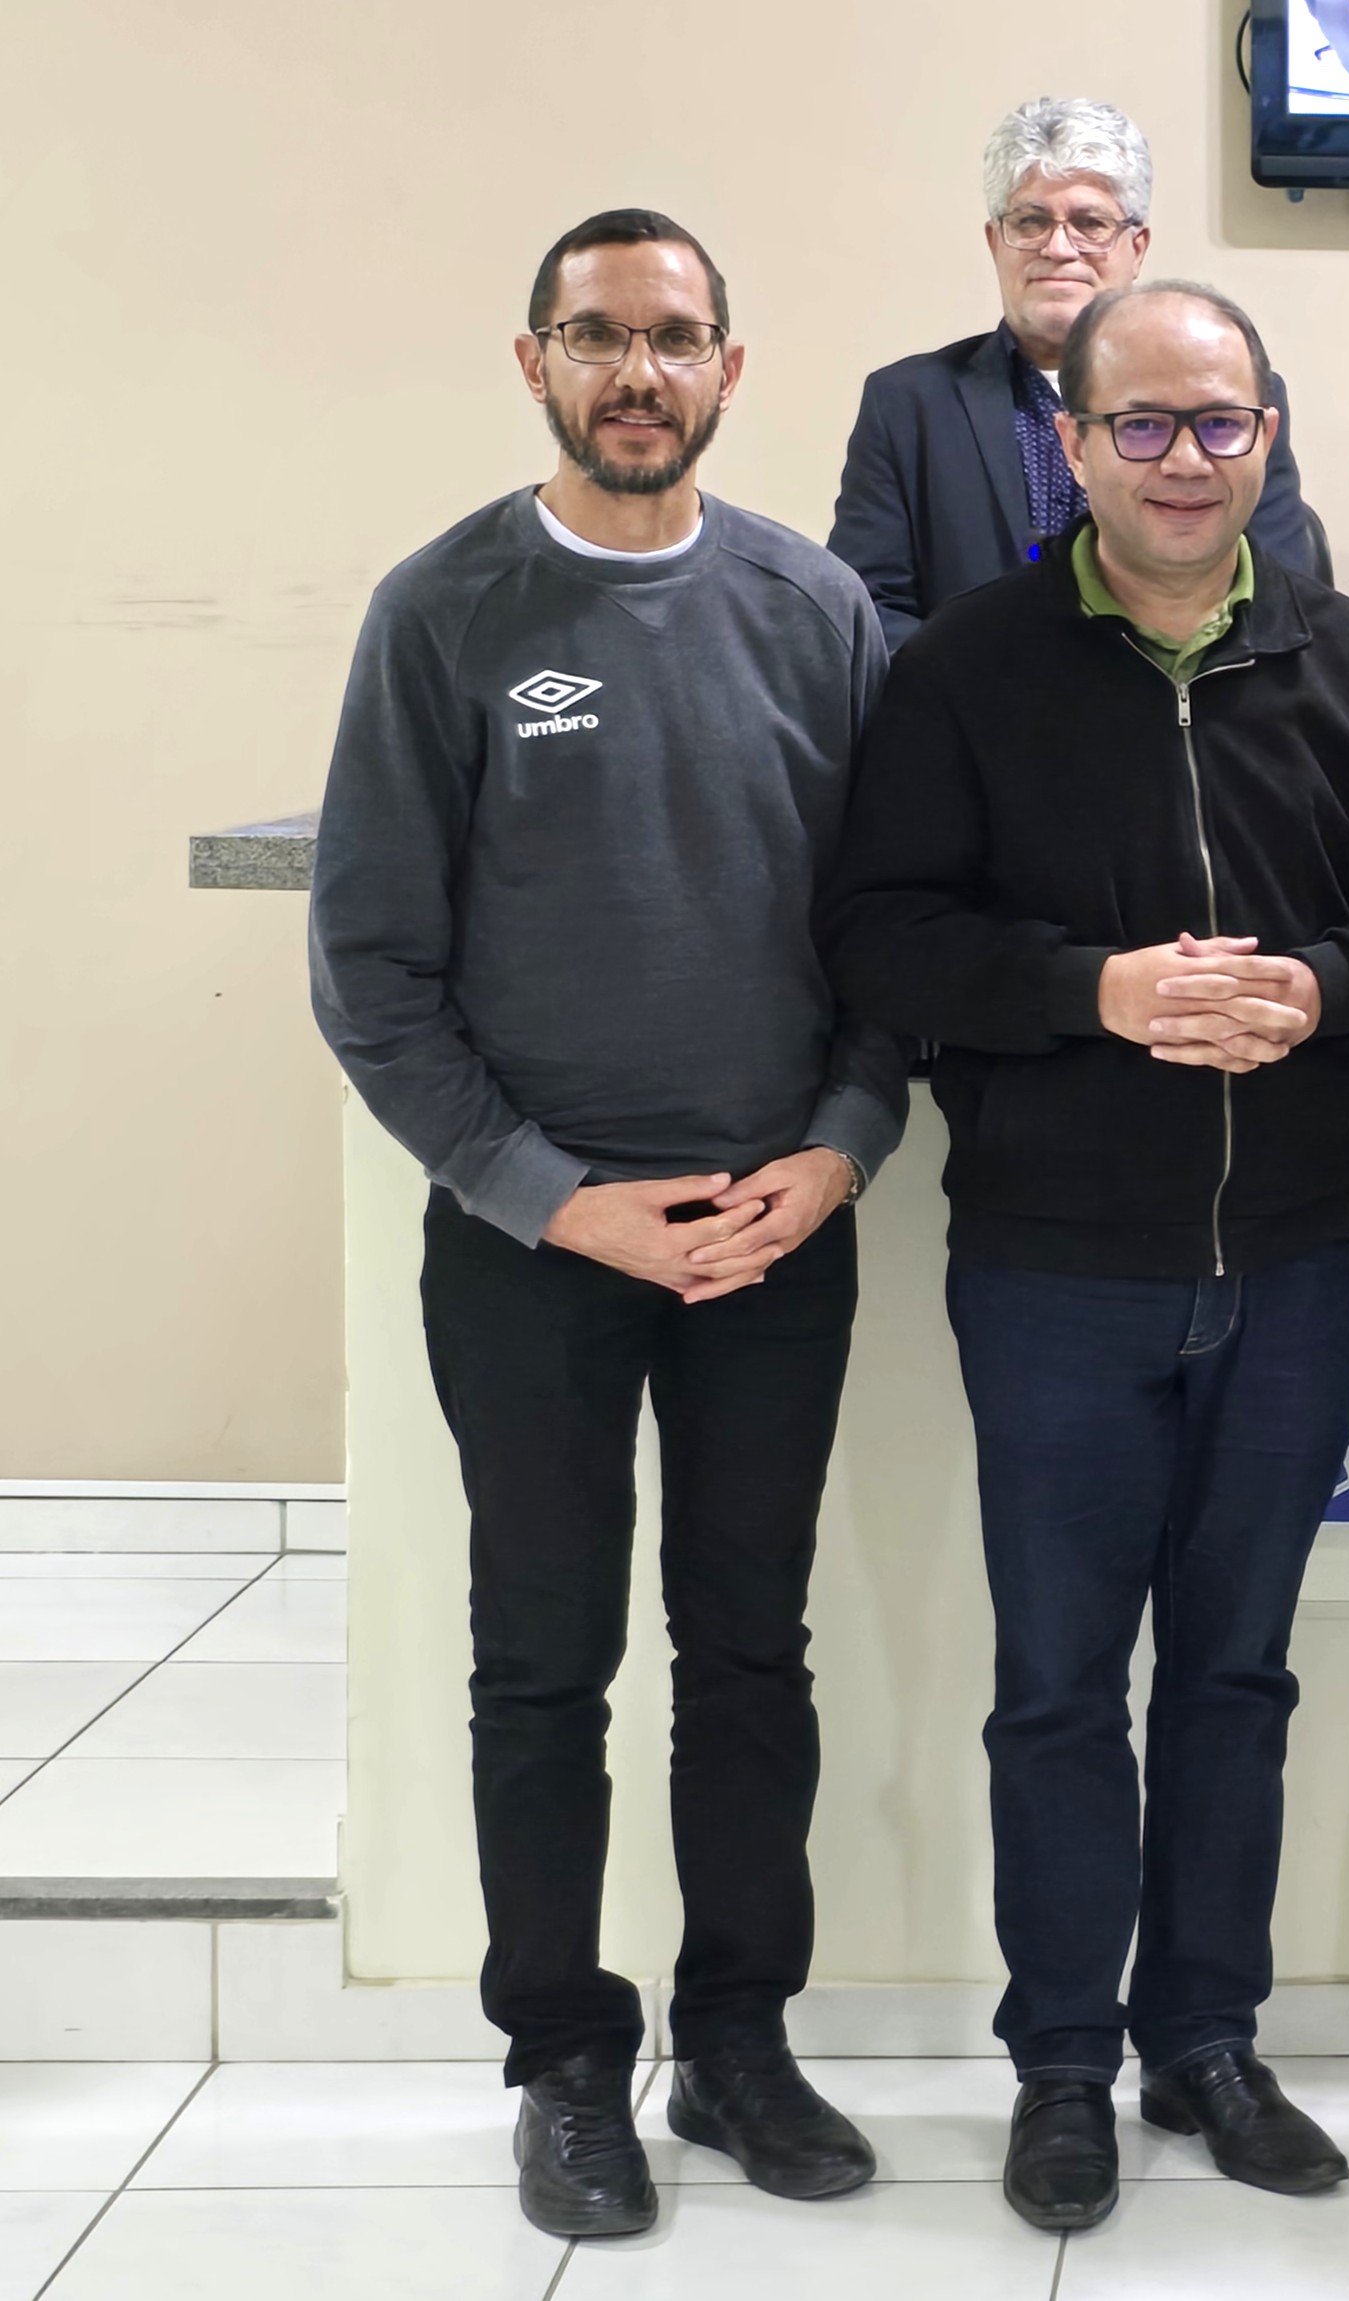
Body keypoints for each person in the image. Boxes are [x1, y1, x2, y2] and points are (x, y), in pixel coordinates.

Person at [818, 279, 1349, 2233]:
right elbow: (880, 936)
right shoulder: (965, 670)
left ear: (1270, 429)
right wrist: (1093, 992)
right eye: (1141, 425)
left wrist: (1323, 983)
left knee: (1233, 1679)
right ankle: (1059, 2065)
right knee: (1054, 1689)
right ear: (1068, 444)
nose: (1183, 460)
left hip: (1291, 1262)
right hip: (1054, 1269)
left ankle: (1204, 2039)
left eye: (1219, 422)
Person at [308, 209, 905, 2241]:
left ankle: (737, 2038)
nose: (634, 371)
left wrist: (831, 1154)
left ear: (732, 368)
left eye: (672, 339)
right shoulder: (444, 609)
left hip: (770, 1233)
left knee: (748, 1653)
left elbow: (882, 938)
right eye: (596, 336)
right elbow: (373, 968)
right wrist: (558, 1201)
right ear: (534, 361)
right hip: (533, 1249)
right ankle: (565, 2058)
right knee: (539, 1665)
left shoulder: (816, 606)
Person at [827, 95, 1314, 645]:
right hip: (979, 715)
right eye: (1031, 221)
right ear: (995, 243)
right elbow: (865, 610)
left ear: (1138, 247)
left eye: (1090, 223)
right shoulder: (908, 403)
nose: (1059, 248)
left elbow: (1283, 593)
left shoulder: (1233, 402)